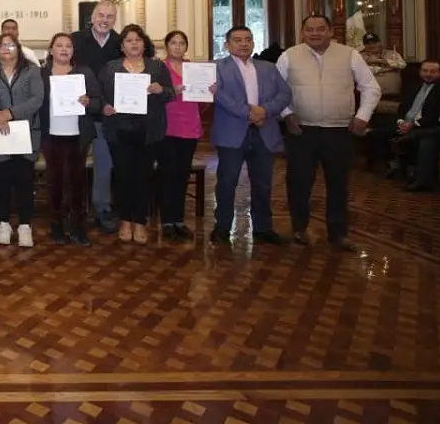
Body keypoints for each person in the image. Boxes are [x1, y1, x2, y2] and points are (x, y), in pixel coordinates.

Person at [277, 14, 381, 251]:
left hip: (339, 131)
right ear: (302, 33)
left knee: (338, 183)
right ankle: (299, 228)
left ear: (331, 31)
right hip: (302, 131)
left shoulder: (350, 54)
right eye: (309, 29)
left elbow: (371, 88)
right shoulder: (288, 56)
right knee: (298, 183)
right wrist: (286, 114)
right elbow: (276, 90)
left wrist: (362, 116)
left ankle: (338, 233)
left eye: (320, 29)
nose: (315, 33)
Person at [210, 25, 292, 245]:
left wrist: (264, 111)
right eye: (237, 40)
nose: (243, 43)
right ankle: (222, 227)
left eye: (248, 39)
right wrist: (249, 112)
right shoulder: (217, 67)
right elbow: (219, 96)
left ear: (253, 42)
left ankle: (263, 227)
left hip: (264, 132)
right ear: (227, 44)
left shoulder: (268, 68)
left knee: (263, 183)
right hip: (231, 133)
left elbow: (285, 94)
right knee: (227, 182)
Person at [98, 24, 173, 245]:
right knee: (122, 177)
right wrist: (104, 107)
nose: (134, 44)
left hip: (148, 132)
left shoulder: (157, 67)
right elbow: (98, 96)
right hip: (118, 131)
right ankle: (125, 220)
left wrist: (161, 90)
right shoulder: (110, 68)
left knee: (143, 177)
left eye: (137, 40)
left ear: (144, 43)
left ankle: (140, 221)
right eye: (129, 40)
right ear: (121, 46)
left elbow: (169, 93)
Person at [39, 33, 100, 246]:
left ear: (74, 51)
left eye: (68, 46)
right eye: (59, 45)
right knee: (55, 181)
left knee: (77, 182)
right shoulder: (41, 74)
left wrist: (88, 101)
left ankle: (77, 226)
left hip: (77, 136)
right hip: (51, 136)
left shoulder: (84, 73)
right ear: (51, 50)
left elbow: (98, 102)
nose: (64, 49)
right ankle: (56, 224)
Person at [0, 32, 44, 247]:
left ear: (18, 48)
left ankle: (25, 225)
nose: (6, 48)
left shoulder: (32, 71)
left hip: (26, 133)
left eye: (11, 45)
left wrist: (10, 113)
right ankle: (3, 224)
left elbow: (37, 99)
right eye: (2, 45)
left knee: (24, 182)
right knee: (1, 181)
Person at [71, 1, 123, 234]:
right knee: (73, 165)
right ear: (92, 17)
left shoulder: (121, 43)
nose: (104, 19)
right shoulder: (75, 40)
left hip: (108, 115)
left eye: (110, 16)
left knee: (103, 167)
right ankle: (73, 212)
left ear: (114, 20)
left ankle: (102, 209)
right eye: (100, 15)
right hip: (77, 112)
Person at [157, 30, 206, 242]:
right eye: (173, 43)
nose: (177, 46)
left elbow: (203, 102)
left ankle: (179, 220)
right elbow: (154, 96)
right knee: (167, 174)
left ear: (186, 46)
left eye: (181, 43)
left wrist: (209, 90)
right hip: (167, 127)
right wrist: (171, 91)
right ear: (166, 46)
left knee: (182, 175)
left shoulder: (195, 69)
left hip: (190, 127)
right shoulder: (159, 68)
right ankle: (167, 221)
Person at [370, 59, 440, 191]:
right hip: (406, 122)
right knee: (377, 132)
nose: (428, 74)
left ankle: (412, 173)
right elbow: (402, 109)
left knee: (422, 140)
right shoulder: (414, 87)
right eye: (425, 71)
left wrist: (413, 124)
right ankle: (394, 166)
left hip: (424, 125)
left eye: (433, 71)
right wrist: (401, 122)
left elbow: (435, 116)